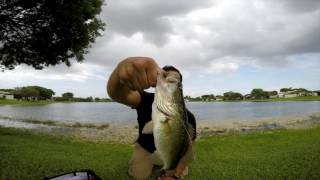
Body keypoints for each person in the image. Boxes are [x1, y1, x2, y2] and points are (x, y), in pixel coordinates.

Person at [107, 57, 196, 180]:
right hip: (145, 148)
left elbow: (188, 149)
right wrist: (119, 72)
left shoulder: (189, 117)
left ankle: (168, 165)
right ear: (155, 82)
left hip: (174, 153)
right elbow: (118, 95)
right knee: (138, 175)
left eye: (176, 81)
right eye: (165, 76)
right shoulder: (144, 99)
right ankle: (154, 162)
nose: (170, 80)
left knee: (178, 171)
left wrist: (175, 175)